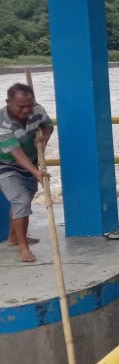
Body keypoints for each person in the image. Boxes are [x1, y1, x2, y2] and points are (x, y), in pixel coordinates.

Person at [0, 83, 52, 263]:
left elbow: (48, 125)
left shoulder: (36, 110)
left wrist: (44, 138)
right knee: (20, 199)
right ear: (9, 102)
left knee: (23, 201)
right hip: (5, 164)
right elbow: (17, 154)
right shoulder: (2, 122)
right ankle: (23, 248)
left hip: (31, 160)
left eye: (28, 105)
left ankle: (14, 237)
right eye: (20, 106)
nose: (25, 110)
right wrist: (36, 172)